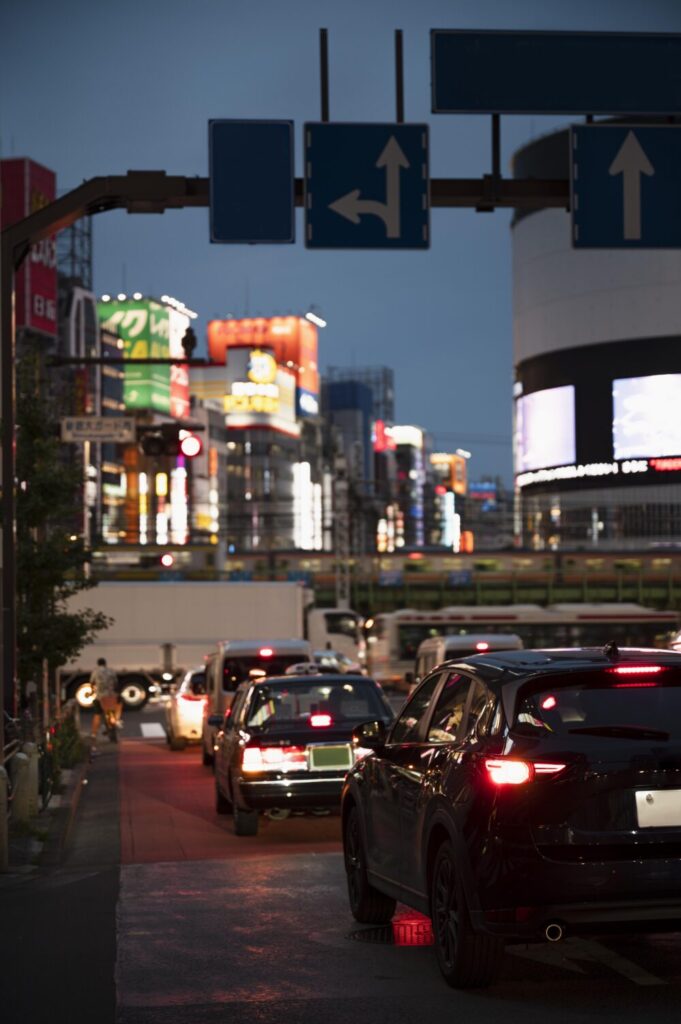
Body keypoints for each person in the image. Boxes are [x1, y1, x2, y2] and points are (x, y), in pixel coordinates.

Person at [89, 657, 122, 750]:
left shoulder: (95, 672)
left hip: (101, 697)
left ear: (98, 664)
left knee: (97, 714)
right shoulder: (111, 671)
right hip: (112, 696)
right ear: (105, 663)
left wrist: (92, 691)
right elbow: (116, 683)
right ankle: (116, 722)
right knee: (116, 710)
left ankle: (94, 734)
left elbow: (92, 683)